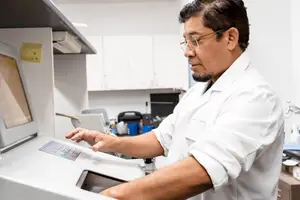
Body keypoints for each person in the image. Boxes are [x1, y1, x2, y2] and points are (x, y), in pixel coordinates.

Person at [66, 0, 285, 199]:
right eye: (186, 42)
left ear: (230, 38)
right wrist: (113, 143)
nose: (187, 53)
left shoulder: (255, 98)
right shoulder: (199, 92)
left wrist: (114, 195)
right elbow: (161, 139)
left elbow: (202, 172)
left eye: (196, 41)